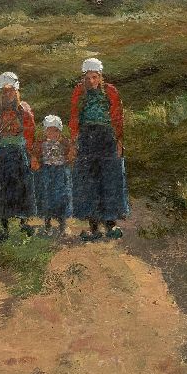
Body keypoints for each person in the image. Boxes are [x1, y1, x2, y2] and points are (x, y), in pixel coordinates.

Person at [68, 57, 129, 240]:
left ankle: (110, 225)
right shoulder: (79, 92)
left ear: (100, 76)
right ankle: (94, 227)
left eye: (94, 77)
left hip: (107, 138)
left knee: (110, 179)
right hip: (86, 139)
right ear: (83, 78)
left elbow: (117, 117)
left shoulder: (110, 91)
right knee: (89, 182)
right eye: (87, 78)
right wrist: (74, 142)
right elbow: (74, 117)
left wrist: (119, 140)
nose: (91, 81)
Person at [0, 72, 37, 240]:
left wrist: (30, 152)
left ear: (16, 91)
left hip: (19, 152)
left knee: (22, 187)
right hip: (1, 153)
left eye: (11, 90)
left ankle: (23, 223)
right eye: (4, 91)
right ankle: (4, 227)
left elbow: (30, 130)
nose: (8, 94)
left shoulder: (23, 108)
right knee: (1, 189)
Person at [33, 113, 72, 236]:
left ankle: (62, 225)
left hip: (60, 172)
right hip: (47, 172)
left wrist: (68, 159)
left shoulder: (64, 142)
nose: (52, 134)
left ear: (59, 131)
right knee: (47, 198)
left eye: (55, 131)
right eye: (49, 131)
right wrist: (36, 162)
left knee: (61, 197)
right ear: (45, 131)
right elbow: (35, 155)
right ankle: (48, 225)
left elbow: (71, 153)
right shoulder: (41, 143)